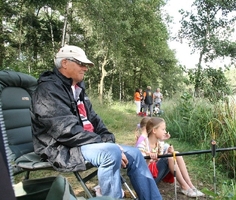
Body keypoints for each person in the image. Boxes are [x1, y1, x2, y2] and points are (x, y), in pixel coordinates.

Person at [30, 45, 162, 200]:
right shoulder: (48, 90)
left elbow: (95, 120)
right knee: (111, 153)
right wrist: (111, 146)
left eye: (86, 65)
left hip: (84, 142)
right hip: (61, 146)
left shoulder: (78, 89)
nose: (85, 68)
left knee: (135, 154)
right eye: (81, 64)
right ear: (64, 63)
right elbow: (66, 131)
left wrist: (109, 140)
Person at [136, 117, 205, 198]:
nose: (165, 132)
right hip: (146, 179)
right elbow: (139, 167)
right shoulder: (143, 144)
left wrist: (169, 152)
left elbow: (160, 158)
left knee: (176, 153)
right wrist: (148, 158)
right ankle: (184, 187)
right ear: (154, 130)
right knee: (169, 157)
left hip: (155, 174)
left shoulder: (159, 144)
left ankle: (190, 185)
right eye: (163, 129)